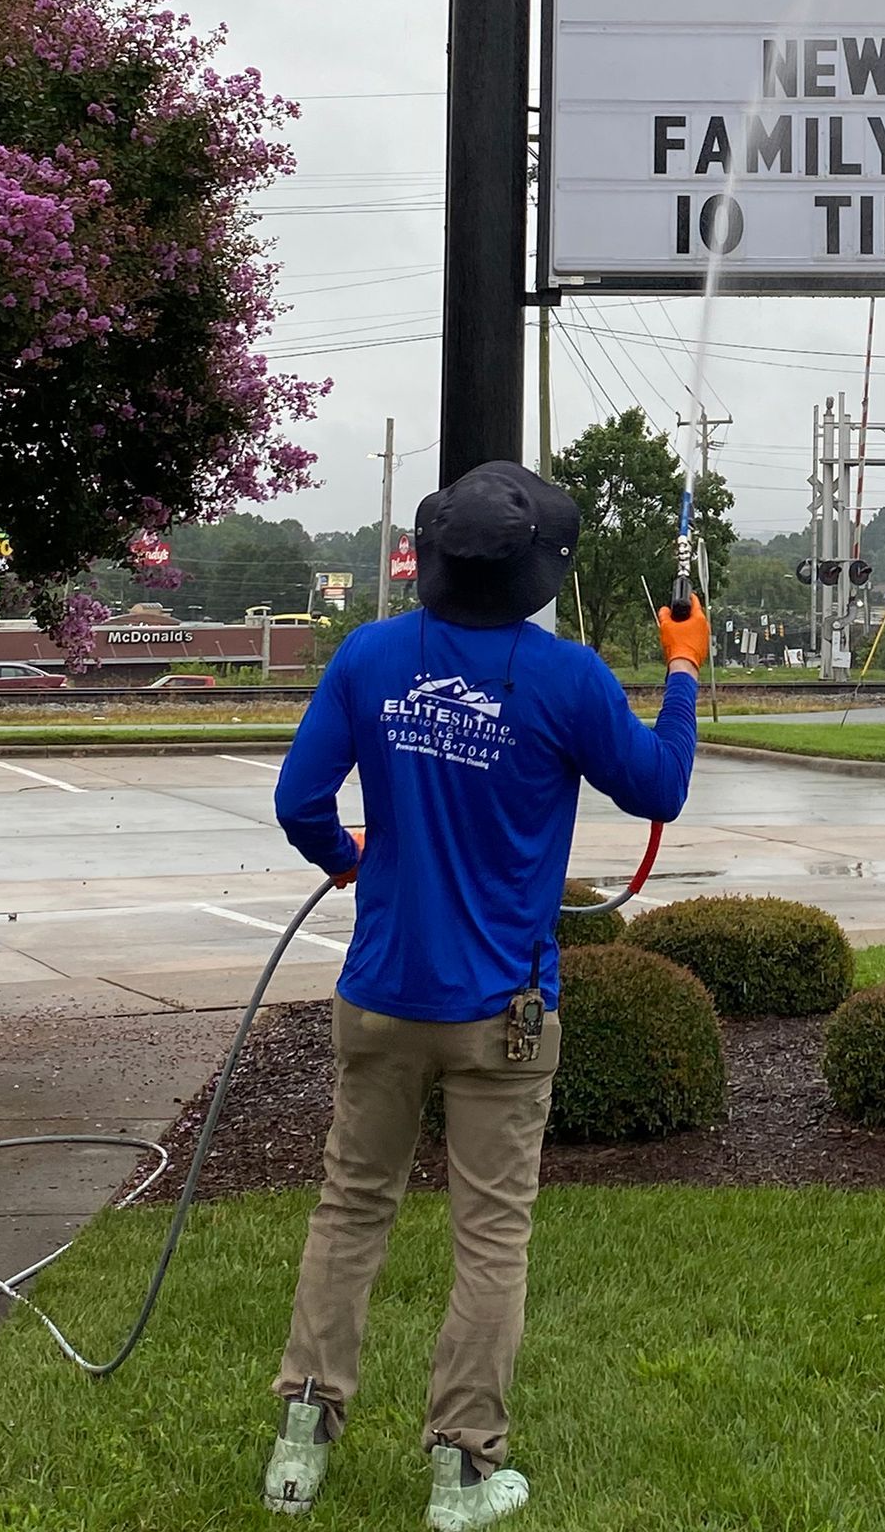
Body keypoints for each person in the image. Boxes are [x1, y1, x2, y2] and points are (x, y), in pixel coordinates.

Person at [261, 459, 705, 1528]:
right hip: (503, 1013)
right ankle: (464, 1469)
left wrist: (349, 858)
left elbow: (297, 798)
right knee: (490, 1237)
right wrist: (684, 671)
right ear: (537, 576)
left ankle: (297, 1451)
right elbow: (660, 788)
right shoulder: (568, 678)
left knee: (350, 1208)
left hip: (377, 999)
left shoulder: (370, 657)